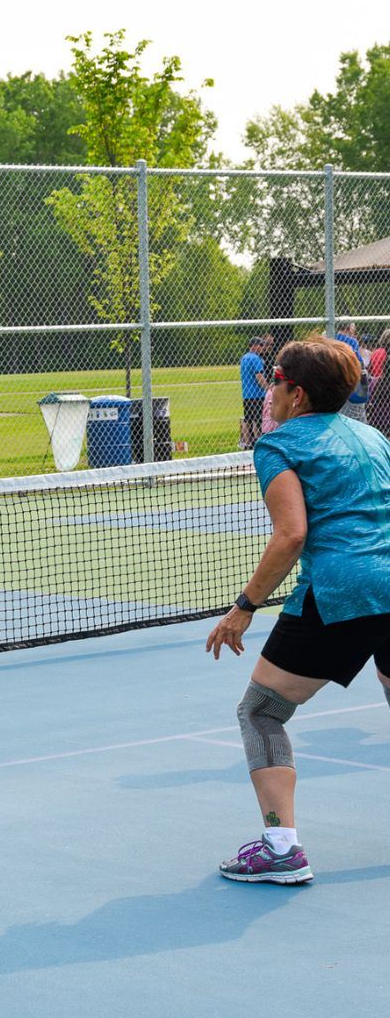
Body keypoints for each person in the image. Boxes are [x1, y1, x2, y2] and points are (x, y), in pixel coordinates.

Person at [206, 336, 390, 884]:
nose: (271, 389)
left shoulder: (279, 446)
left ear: (297, 393)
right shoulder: (374, 437)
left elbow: (291, 535)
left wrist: (244, 608)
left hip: (341, 591)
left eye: (276, 381)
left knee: (261, 711)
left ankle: (281, 849)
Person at [335, 321, 367, 422]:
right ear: (347, 328)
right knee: (356, 412)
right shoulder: (352, 341)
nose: (354, 330)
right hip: (350, 379)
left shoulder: (332, 338)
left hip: (335, 379)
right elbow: (359, 363)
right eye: (353, 328)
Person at [239, 337, 268, 448]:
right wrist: (266, 388)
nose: (262, 348)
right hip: (257, 394)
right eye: (261, 345)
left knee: (248, 418)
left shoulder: (244, 358)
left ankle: (247, 442)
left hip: (247, 394)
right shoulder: (256, 358)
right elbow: (259, 375)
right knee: (257, 418)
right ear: (254, 346)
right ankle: (257, 441)